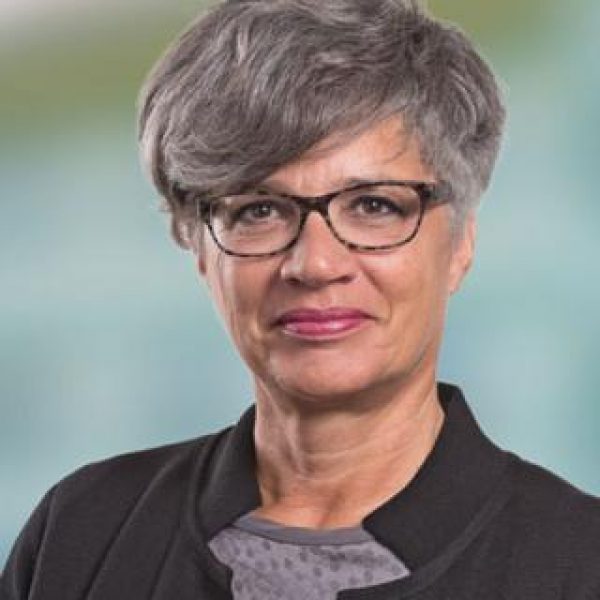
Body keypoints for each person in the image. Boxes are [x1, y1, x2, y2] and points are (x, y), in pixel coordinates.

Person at [2, 0, 600, 598]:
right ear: (199, 248)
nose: (315, 264)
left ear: (460, 243)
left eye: (374, 206)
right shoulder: (81, 533)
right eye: (259, 210)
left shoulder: (579, 563)